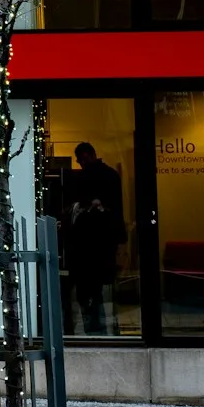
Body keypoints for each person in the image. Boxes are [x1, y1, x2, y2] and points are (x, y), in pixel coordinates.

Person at [67, 142, 127, 334]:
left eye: (83, 159)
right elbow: (116, 208)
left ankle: (93, 326)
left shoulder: (83, 177)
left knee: (89, 288)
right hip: (101, 240)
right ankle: (99, 327)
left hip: (89, 241)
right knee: (98, 287)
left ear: (91, 156)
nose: (82, 162)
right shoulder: (109, 175)